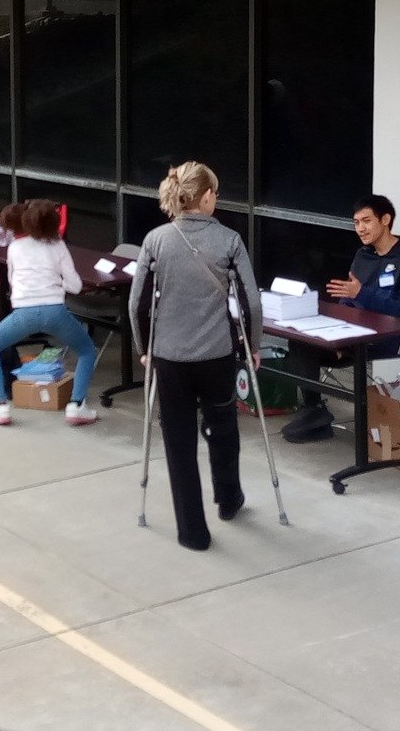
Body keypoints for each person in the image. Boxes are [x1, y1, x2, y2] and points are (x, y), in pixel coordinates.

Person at [129, 161, 262, 552]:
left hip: (169, 358)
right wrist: (253, 346)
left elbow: (138, 301)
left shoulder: (156, 240)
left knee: (178, 440)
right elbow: (250, 301)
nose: (216, 199)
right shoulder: (229, 241)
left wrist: (144, 349)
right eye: (216, 193)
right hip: (216, 355)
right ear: (205, 197)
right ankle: (228, 498)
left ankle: (192, 531)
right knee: (223, 427)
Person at [282, 195, 400, 443]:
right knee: (300, 341)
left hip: (386, 337)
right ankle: (313, 410)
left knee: (306, 348)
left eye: (366, 221)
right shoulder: (364, 255)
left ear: (385, 220)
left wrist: (362, 293)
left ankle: (314, 412)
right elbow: (348, 301)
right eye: (356, 222)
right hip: (351, 333)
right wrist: (333, 328)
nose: (360, 228)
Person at [0, 200, 101, 427]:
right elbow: (75, 286)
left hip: (23, 312)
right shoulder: (58, 246)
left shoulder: (15, 248)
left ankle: (0, 406)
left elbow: (14, 282)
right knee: (86, 350)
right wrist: (57, 286)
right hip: (55, 311)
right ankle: (76, 405)